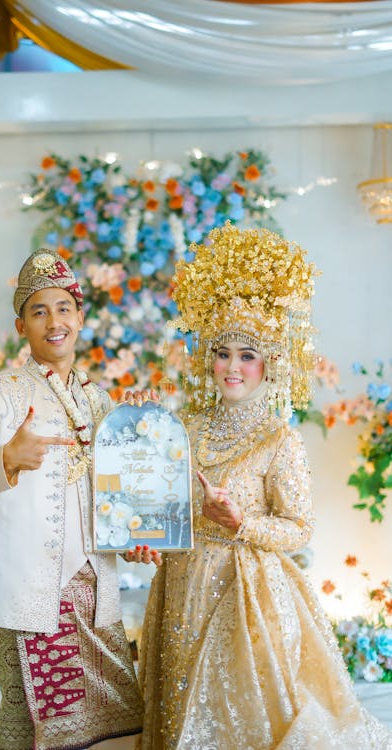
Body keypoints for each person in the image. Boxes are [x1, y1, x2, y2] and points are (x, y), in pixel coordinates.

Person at [136, 222, 392, 750]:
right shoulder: (184, 427)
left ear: (269, 364)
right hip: (182, 585)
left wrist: (241, 522)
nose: (230, 366)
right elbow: (159, 508)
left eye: (246, 355)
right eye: (222, 352)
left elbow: (300, 529)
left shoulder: (281, 439)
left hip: (245, 592)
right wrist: (146, 529)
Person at [0, 249, 160, 750]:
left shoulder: (101, 400)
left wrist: (134, 539)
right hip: (30, 592)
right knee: (38, 731)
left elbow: (114, 495)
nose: (53, 321)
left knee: (121, 721)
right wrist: (6, 460)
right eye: (39, 311)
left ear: (80, 317)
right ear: (22, 326)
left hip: (96, 587)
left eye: (63, 308)